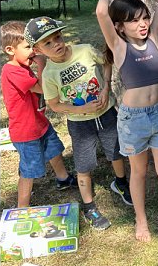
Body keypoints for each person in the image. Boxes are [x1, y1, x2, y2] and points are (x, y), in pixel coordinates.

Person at [96, 0, 158, 246]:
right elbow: (101, 12)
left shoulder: (155, 36)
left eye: (144, 18)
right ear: (120, 27)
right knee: (139, 172)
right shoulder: (118, 46)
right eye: (134, 21)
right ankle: (141, 220)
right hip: (133, 119)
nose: (143, 24)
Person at [27, 15, 131, 230]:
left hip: (107, 114)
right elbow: (54, 104)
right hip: (80, 124)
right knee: (83, 165)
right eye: (48, 43)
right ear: (37, 49)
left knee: (116, 152)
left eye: (57, 37)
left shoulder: (84, 50)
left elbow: (106, 62)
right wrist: (81, 109)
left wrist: (106, 88)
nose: (56, 44)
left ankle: (121, 183)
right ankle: (89, 206)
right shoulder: (49, 74)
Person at [0, 20, 77, 208]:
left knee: (54, 150)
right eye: (28, 47)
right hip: (26, 132)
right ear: (10, 50)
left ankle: (63, 178)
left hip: (40, 123)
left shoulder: (23, 66)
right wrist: (42, 63)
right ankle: (22, 207)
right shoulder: (12, 71)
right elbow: (43, 88)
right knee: (29, 170)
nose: (33, 51)